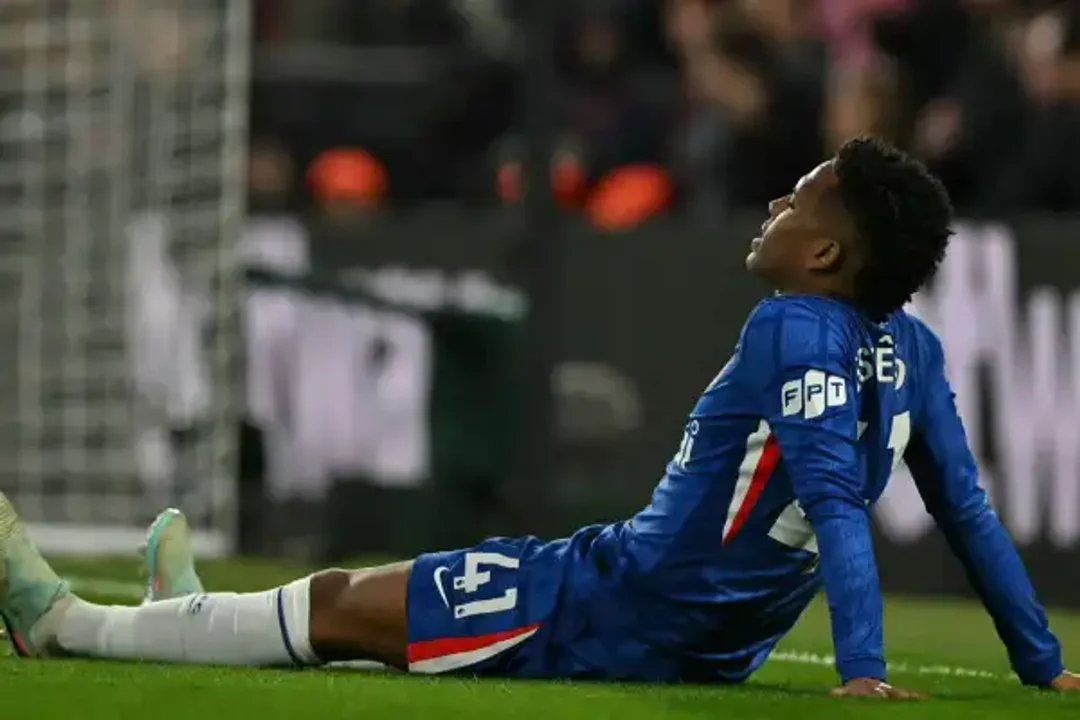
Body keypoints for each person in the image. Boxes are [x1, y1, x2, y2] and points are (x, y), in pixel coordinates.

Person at [1, 138, 1077, 699]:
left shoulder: (791, 326)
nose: (774, 208)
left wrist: (861, 667)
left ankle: (65, 626)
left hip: (607, 604)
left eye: (796, 201)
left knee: (336, 606)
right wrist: (1039, 663)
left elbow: (836, 501)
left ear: (828, 252)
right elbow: (968, 514)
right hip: (703, 641)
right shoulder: (916, 351)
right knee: (375, 624)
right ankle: (182, 614)